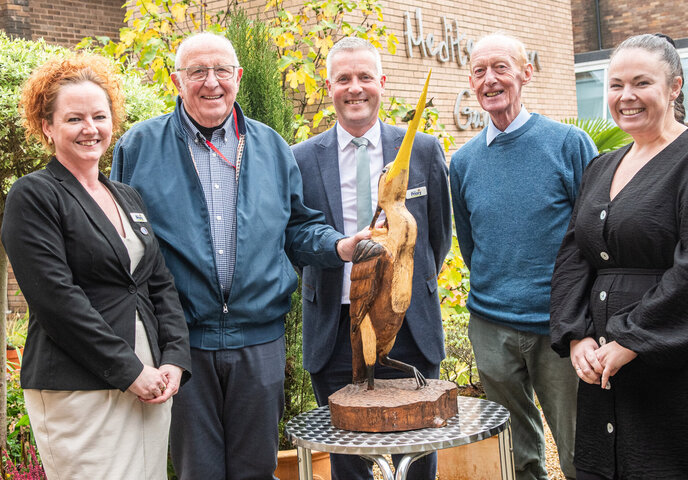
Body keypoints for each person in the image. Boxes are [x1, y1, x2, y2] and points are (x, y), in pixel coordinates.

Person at [111, 32, 365, 480]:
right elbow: (123, 247)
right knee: (198, 472)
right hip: (180, 345)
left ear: (238, 77)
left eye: (222, 71)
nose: (212, 82)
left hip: (259, 342)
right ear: (176, 80)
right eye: (197, 72)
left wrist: (339, 246)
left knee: (256, 470)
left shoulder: (271, 147)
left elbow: (298, 228)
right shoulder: (139, 147)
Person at [550, 33, 688, 480]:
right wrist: (577, 334)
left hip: (684, 351)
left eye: (642, 83)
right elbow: (574, 257)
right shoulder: (601, 166)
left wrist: (633, 339)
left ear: (674, 87)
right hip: (604, 354)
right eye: (616, 84)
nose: (626, 97)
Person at [1, 54, 191, 480]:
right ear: (47, 126)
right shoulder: (34, 196)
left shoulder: (126, 196)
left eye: (99, 116)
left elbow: (159, 284)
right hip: (80, 385)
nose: (90, 128)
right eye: (74, 118)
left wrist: (174, 359)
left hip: (151, 381)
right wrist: (129, 371)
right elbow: (57, 301)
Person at [292, 37, 452, 480]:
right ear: (329, 87)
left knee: (418, 450)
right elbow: (297, 241)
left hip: (409, 326)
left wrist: (400, 288)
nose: (355, 87)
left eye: (365, 76)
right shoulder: (301, 160)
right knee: (349, 458)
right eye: (344, 78)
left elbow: (438, 238)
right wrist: (341, 248)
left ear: (382, 82)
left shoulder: (421, 150)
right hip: (337, 329)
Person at [450, 33, 597, 480]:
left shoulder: (569, 145)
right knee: (515, 453)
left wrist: (583, 316)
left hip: (561, 326)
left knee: (579, 449)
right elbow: (470, 241)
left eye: (500, 67)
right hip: (491, 326)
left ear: (525, 73)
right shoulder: (463, 161)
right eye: (479, 71)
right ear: (471, 82)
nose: (489, 80)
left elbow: (593, 235)